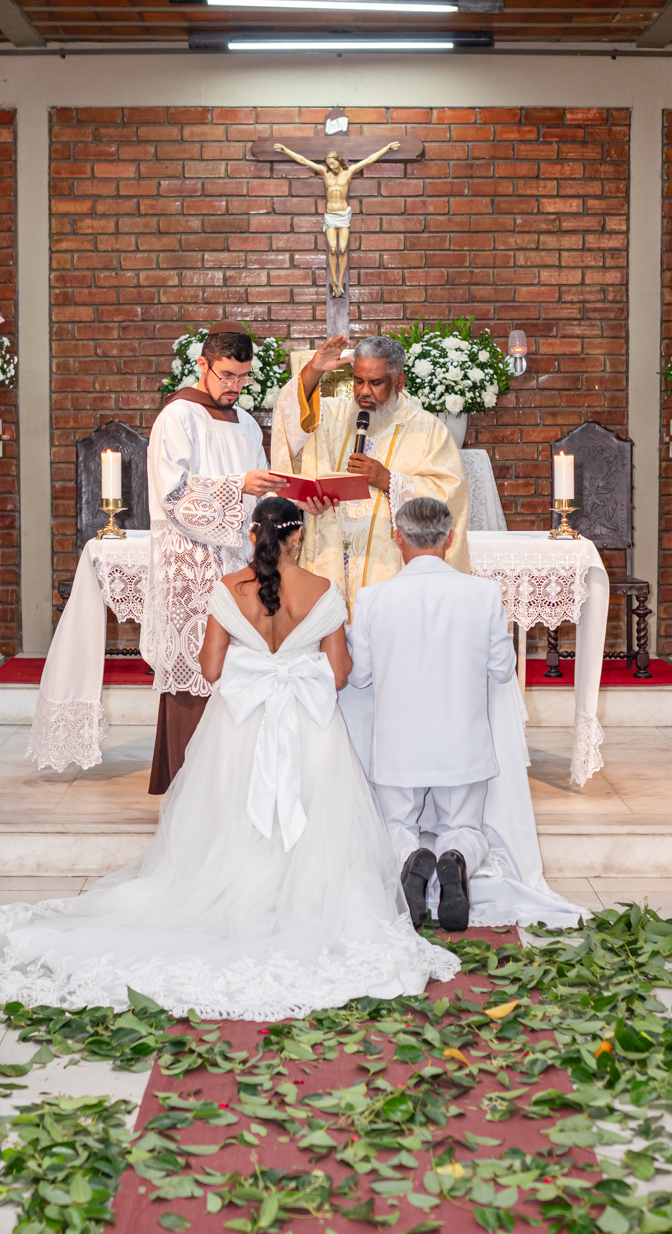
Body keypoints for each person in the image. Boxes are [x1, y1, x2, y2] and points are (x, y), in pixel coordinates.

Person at [0, 498, 459, 1019]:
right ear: (299, 537)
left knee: (230, 821)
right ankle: (302, 902)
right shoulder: (324, 592)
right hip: (308, 728)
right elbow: (337, 674)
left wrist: (257, 673)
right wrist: (292, 672)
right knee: (315, 818)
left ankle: (233, 896)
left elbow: (212, 668)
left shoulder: (228, 590)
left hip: (239, 727)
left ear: (252, 534)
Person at [349, 496, 583, 933]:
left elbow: (359, 678)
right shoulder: (484, 593)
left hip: (397, 746)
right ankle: (454, 858)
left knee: (396, 823)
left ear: (397, 538)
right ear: (450, 537)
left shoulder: (372, 598)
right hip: (462, 742)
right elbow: (500, 668)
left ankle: (411, 859)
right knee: (462, 825)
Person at [141, 321, 277, 794]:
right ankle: (187, 786)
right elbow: (173, 492)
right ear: (202, 364)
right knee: (194, 673)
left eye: (243, 377)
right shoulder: (177, 417)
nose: (235, 387)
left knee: (236, 672)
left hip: (237, 563)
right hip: (190, 565)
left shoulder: (246, 423)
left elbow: (255, 496)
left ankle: (232, 784)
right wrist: (238, 485)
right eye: (226, 376)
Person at [271, 334, 469, 615]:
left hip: (386, 570)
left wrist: (389, 480)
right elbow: (291, 417)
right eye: (358, 381)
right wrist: (313, 370)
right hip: (331, 557)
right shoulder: (336, 416)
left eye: (376, 383)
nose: (364, 391)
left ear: (398, 382)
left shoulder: (428, 430)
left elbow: (450, 494)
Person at [272, 142, 401, 298]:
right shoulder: (325, 173)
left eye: (333, 163)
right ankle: (334, 281)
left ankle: (340, 280)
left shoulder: (349, 172)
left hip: (343, 215)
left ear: (339, 161)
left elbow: (368, 160)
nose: (331, 167)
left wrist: (387, 148)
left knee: (342, 249)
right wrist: (285, 150)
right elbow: (303, 160)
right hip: (330, 216)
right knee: (332, 248)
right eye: (329, 164)